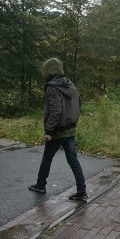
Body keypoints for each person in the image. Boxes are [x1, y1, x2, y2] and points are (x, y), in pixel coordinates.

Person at [28, 57, 88, 201]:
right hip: (70, 129)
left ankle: (41, 184)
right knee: (73, 160)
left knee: (47, 157)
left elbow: (56, 110)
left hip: (57, 130)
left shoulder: (51, 87)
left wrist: (49, 130)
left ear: (48, 70)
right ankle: (81, 190)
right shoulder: (70, 84)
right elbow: (79, 101)